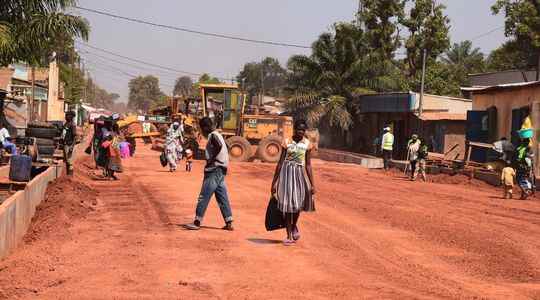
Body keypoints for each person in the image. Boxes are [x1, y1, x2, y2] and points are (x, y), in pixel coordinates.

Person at [271, 119, 316, 246]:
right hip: (286, 176)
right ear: (294, 129)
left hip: (299, 176)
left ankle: (294, 225)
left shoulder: (307, 144)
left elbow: (308, 165)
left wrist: (312, 184)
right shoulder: (286, 142)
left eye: (303, 130)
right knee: (288, 207)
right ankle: (289, 235)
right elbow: (280, 163)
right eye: (298, 129)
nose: (300, 132)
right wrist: (274, 182)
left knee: (297, 206)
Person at [185, 117, 233, 231]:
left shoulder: (212, 135)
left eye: (201, 129)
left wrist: (212, 160)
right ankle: (229, 221)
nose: (201, 131)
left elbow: (219, 146)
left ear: (205, 127)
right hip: (221, 170)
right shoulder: (218, 134)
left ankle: (197, 222)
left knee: (204, 196)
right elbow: (226, 146)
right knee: (222, 197)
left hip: (214, 170)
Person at [62, 111, 77, 176]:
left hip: (69, 144)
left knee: (69, 161)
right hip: (65, 144)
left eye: (67, 115)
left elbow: (75, 137)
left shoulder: (72, 125)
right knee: (66, 161)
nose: (65, 117)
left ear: (71, 117)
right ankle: (68, 174)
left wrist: (72, 147)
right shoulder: (66, 124)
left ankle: (70, 175)